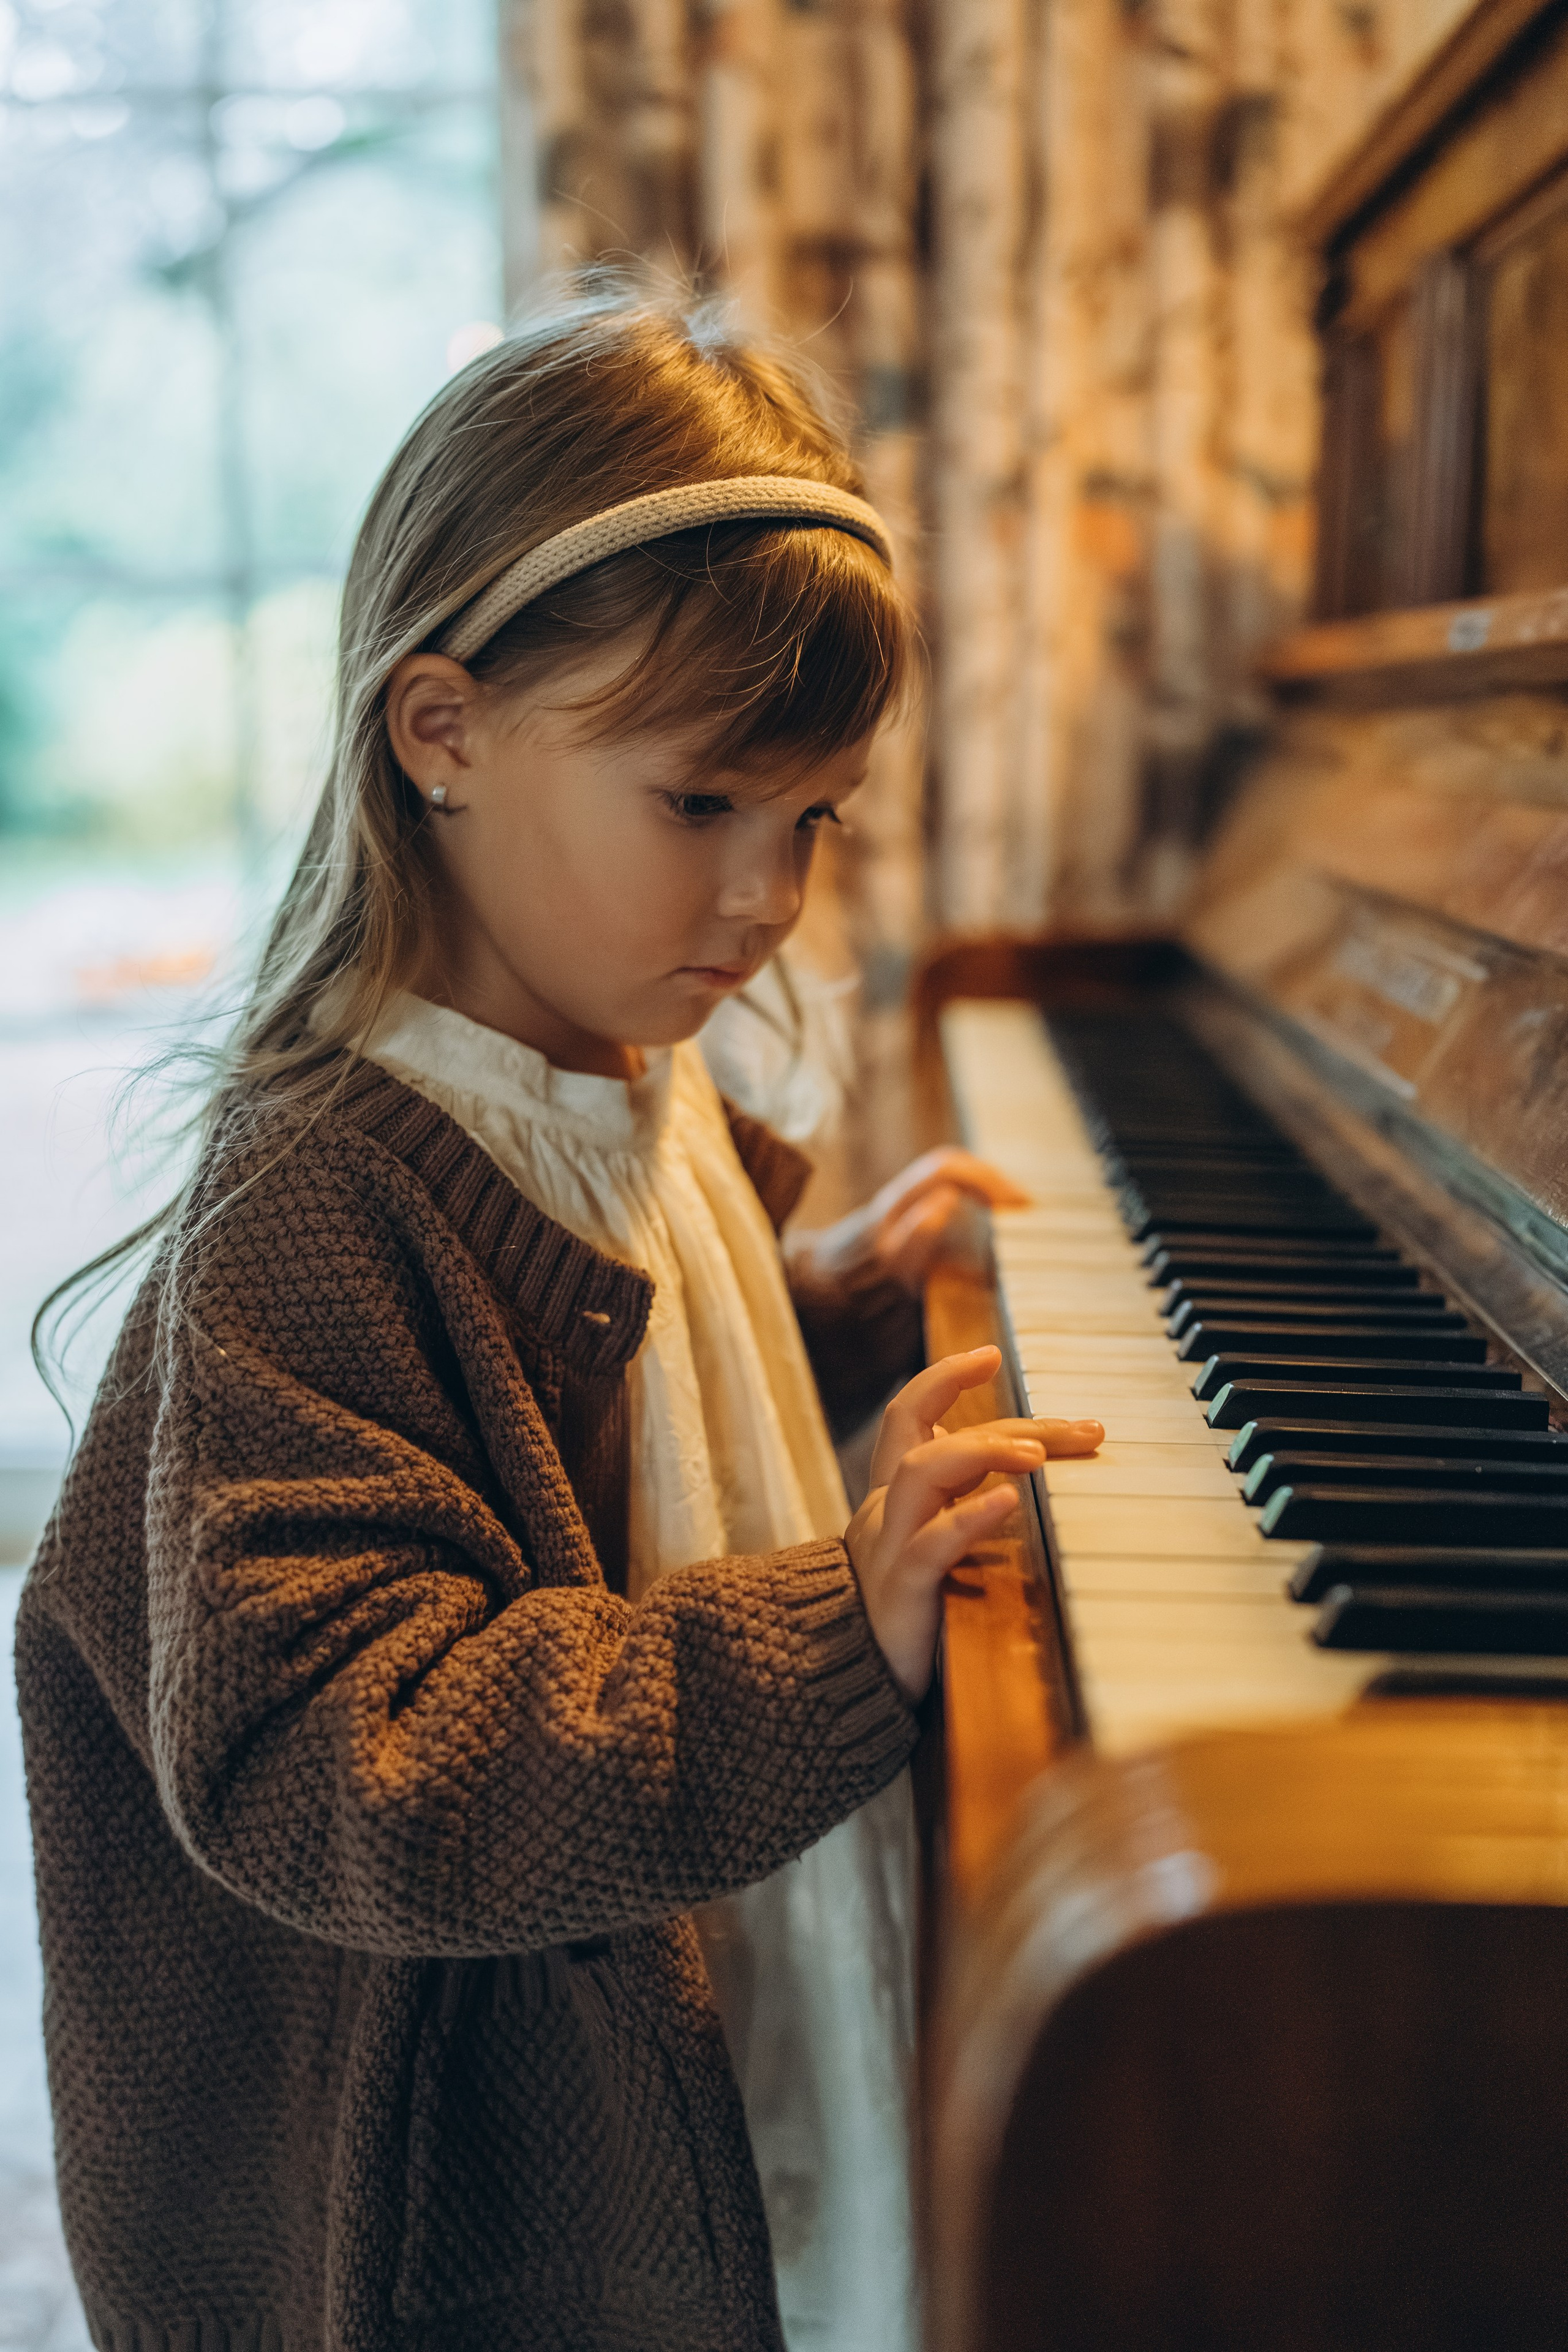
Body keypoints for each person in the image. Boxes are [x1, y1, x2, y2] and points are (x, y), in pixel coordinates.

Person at [17, 284, 1102, 2352]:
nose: (768, 900)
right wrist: (825, 1634)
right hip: (489, 2148)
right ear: (441, 733)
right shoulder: (319, 1204)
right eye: (701, 806)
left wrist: (827, 1315)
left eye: (816, 821)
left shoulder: (609, 1043)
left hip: (689, 1910)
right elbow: (342, 1752)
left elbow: (600, 1410)